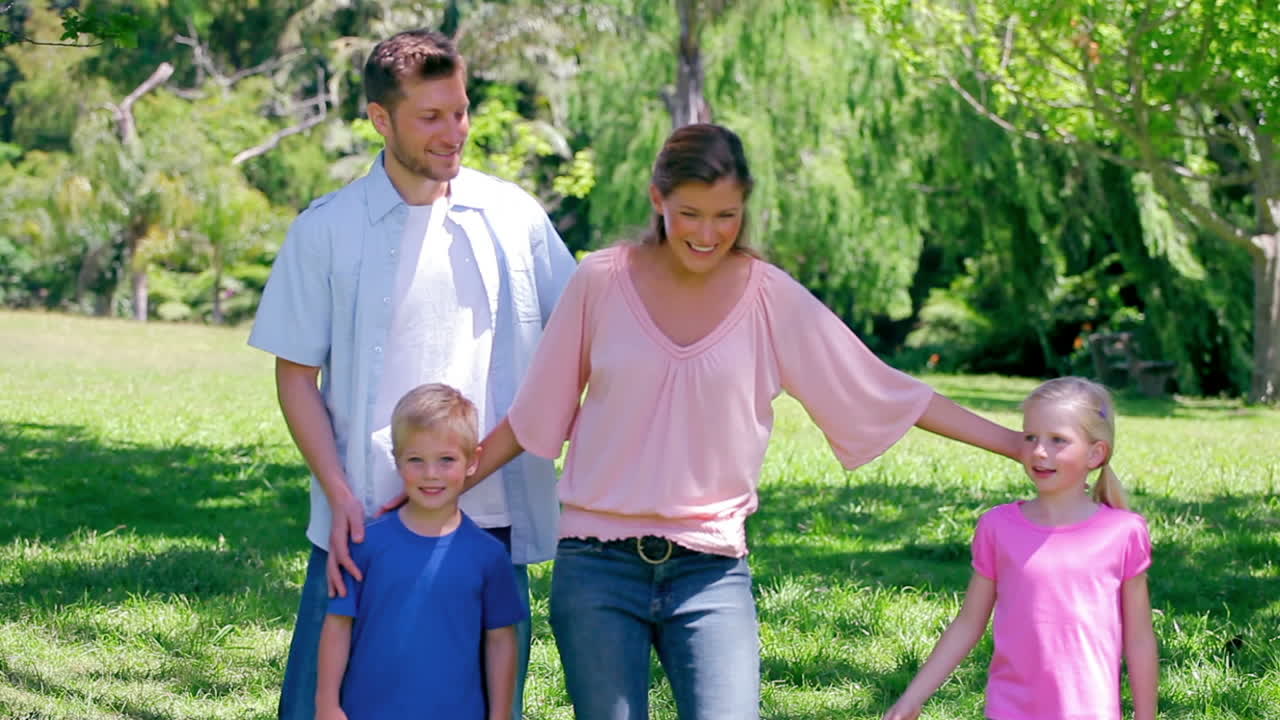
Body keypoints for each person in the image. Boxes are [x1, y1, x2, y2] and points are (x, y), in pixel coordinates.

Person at [462, 122, 1025, 720]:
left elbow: (885, 389)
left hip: (710, 571)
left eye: (725, 216)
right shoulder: (600, 281)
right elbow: (531, 420)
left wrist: (1025, 447)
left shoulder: (770, 299)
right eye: (691, 214)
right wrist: (429, 489)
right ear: (658, 199)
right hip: (596, 568)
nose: (708, 234)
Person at [248, 28, 576, 720]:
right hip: (363, 521)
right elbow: (295, 374)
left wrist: (475, 468)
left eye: (459, 111)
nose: (453, 131)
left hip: (489, 524)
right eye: (431, 116)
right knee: (327, 706)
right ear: (379, 118)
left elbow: (574, 353)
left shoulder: (516, 218)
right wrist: (337, 493)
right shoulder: (327, 229)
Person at [882, 376, 1158, 720]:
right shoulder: (998, 527)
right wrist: (914, 696)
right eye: (1030, 437)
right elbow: (969, 623)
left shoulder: (1122, 532)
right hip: (1009, 709)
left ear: (1095, 453)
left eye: (1058, 440)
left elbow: (1139, 639)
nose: (1039, 451)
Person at [316, 383, 526, 720]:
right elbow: (338, 625)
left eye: (446, 460)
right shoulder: (365, 544)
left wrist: (500, 714)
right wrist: (327, 704)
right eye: (416, 460)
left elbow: (501, 640)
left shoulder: (488, 555)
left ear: (472, 462)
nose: (431, 474)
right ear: (397, 461)